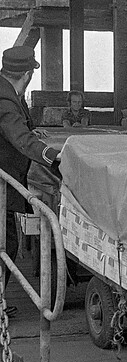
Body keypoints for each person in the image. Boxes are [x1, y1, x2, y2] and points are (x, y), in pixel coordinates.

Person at [0, 46, 61, 316]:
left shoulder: (8, 91)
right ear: (27, 75)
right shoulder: (5, 99)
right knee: (6, 242)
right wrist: (52, 156)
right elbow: (20, 140)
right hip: (3, 180)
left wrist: (28, 129)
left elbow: (16, 128)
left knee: (7, 239)